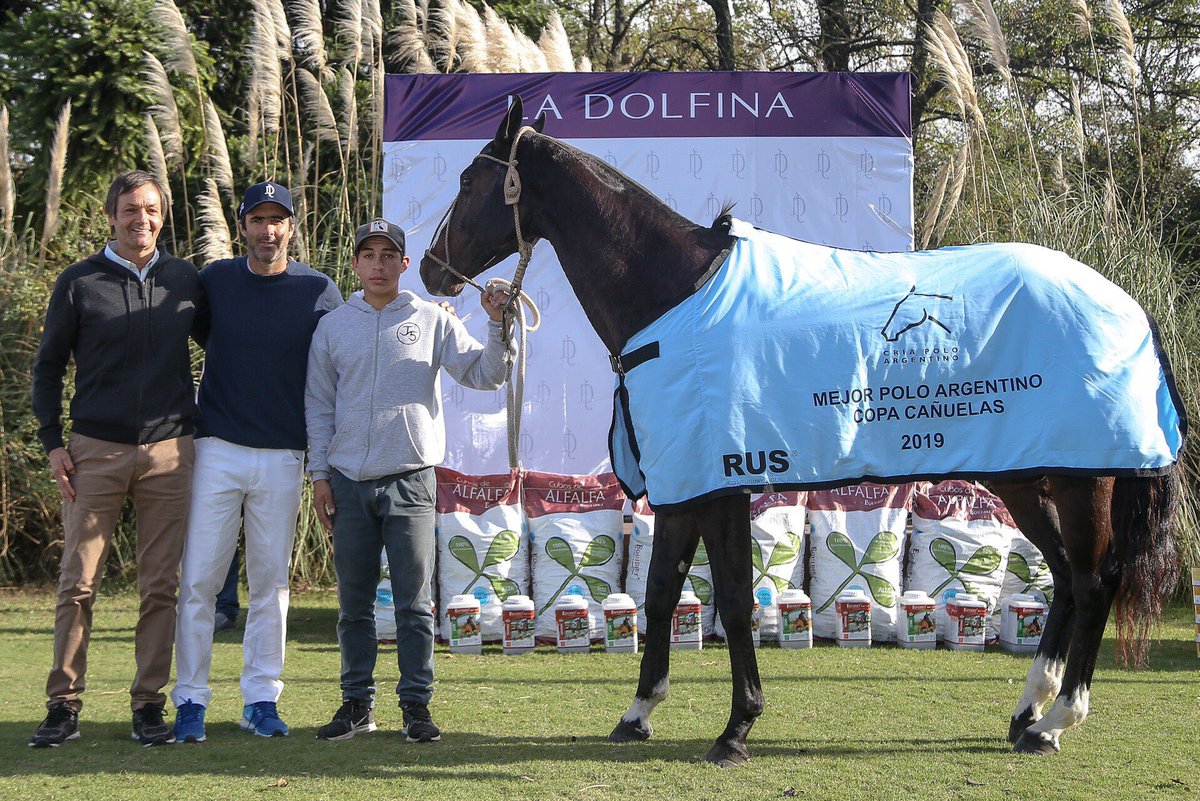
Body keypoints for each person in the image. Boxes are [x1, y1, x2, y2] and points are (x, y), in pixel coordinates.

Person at [305, 219, 513, 742]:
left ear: (404, 264)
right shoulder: (332, 326)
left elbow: (486, 374)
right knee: (352, 604)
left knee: (414, 604)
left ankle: (416, 708)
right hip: (348, 480)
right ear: (354, 264)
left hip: (412, 480)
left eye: (388, 254)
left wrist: (496, 323)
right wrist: (320, 475)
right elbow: (319, 407)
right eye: (367, 254)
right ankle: (356, 704)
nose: (378, 264)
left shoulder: (431, 319)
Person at [29, 170, 201, 748]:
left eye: (151, 209)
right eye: (131, 209)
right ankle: (63, 704)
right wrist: (54, 441)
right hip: (93, 452)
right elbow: (48, 367)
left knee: (160, 587)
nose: (142, 220)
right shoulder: (80, 282)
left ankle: (148, 704)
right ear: (112, 215)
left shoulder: (185, 279)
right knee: (78, 582)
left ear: (163, 214)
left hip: (170, 453)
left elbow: (228, 346)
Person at [170, 182, 342, 742]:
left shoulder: (319, 289)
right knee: (198, 582)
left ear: (292, 226)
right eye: (257, 220)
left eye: (278, 220)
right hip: (215, 450)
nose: (268, 230)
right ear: (241, 226)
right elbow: (197, 337)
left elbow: (339, 363)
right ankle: (191, 699)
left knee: (270, 585)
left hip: (283, 457)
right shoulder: (216, 281)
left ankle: (261, 699)